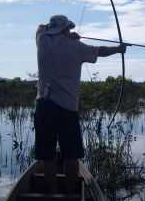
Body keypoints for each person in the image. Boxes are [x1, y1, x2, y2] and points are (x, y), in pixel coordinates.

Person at [34, 14, 127, 194]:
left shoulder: (42, 40)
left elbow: (40, 27)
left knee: (47, 155)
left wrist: (61, 32)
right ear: (66, 28)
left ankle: (52, 192)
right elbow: (100, 50)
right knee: (71, 155)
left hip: (44, 106)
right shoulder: (76, 46)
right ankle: (70, 193)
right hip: (67, 109)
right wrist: (118, 49)